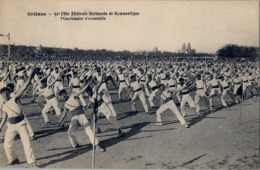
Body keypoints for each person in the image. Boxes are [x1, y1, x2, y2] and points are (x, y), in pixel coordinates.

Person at [0, 70, 38, 167]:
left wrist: (29, 79)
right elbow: (4, 118)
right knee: (6, 145)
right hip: (11, 126)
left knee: (27, 143)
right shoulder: (3, 106)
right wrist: (0, 127)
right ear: (1, 95)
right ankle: (13, 159)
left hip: (21, 124)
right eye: (3, 93)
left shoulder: (14, 98)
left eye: (6, 92)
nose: (5, 94)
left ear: (9, 92)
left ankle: (32, 162)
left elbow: (23, 88)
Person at [58, 79, 105, 151]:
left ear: (66, 93)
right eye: (62, 95)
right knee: (70, 133)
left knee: (89, 130)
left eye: (64, 94)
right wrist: (60, 121)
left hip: (82, 116)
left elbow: (81, 91)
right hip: (74, 118)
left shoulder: (73, 96)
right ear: (60, 97)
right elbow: (64, 114)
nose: (63, 96)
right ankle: (75, 144)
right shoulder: (65, 104)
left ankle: (96, 145)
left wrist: (87, 85)